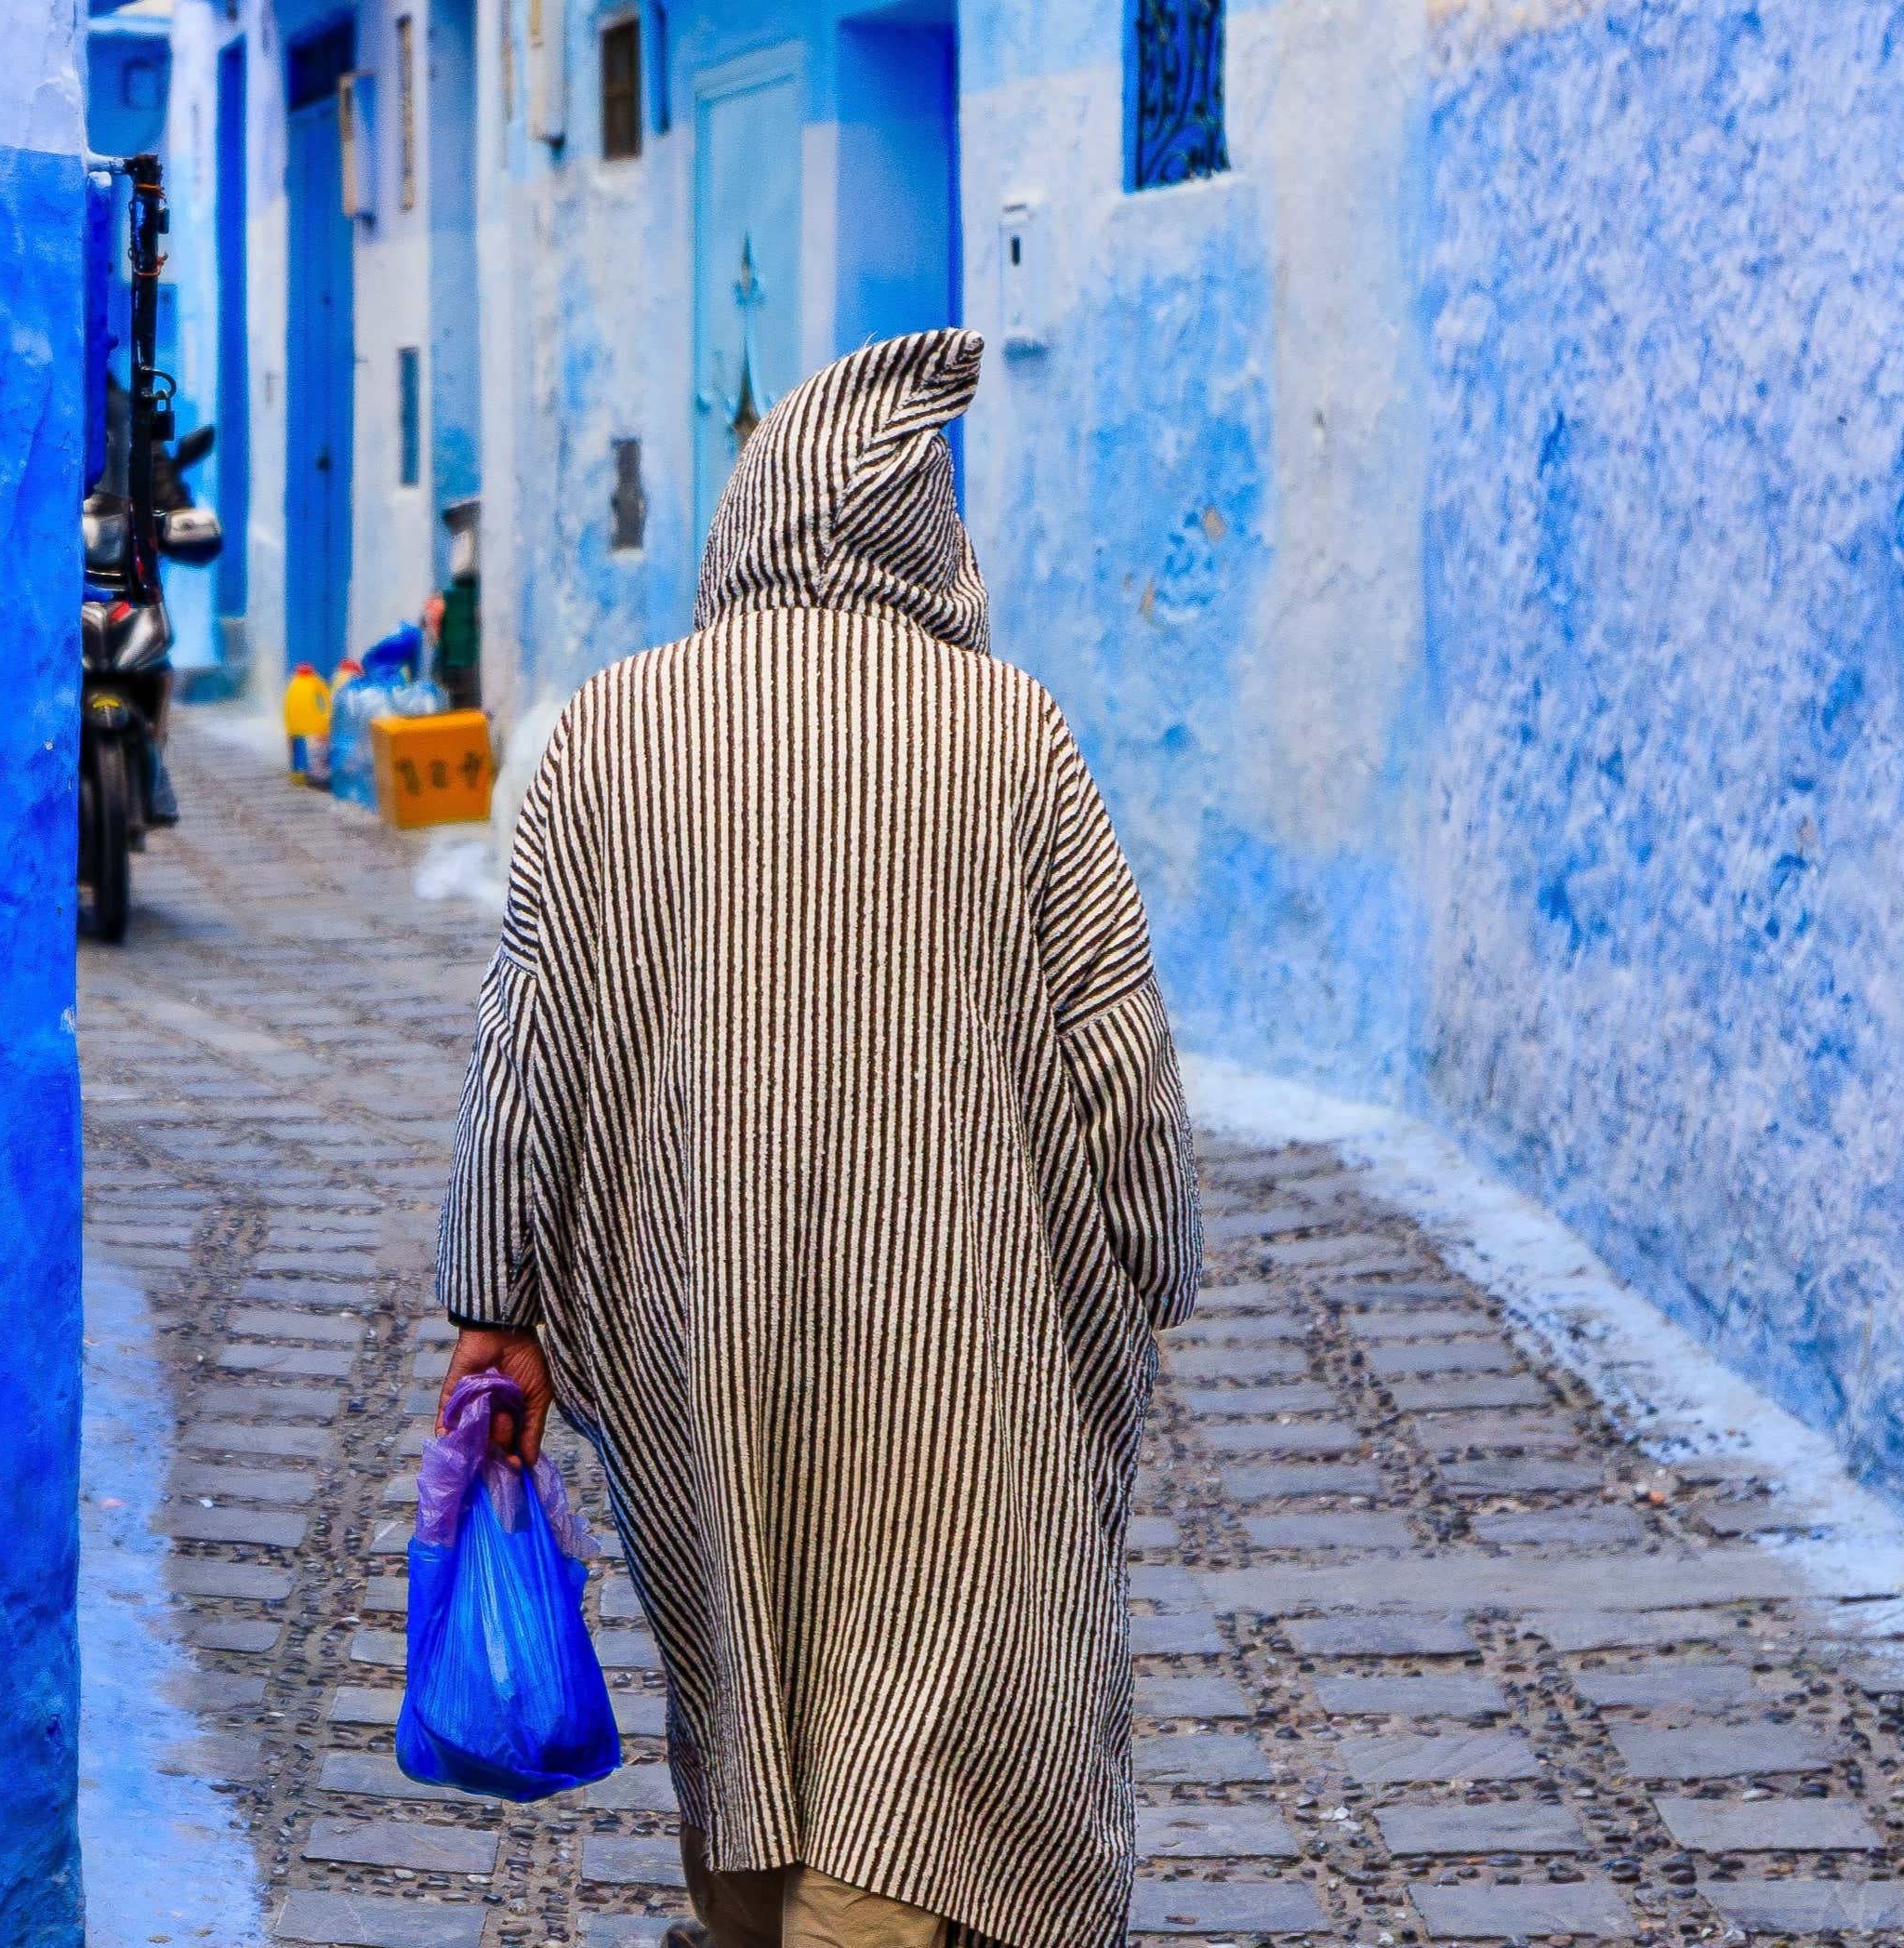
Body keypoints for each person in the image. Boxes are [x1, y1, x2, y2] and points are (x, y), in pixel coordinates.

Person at [433, 328, 1199, 1948]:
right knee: (924, 1695)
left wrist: (496, 1307)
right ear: (923, 532)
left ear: (753, 515)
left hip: (701, 1327)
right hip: (966, 1339)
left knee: (754, 1683)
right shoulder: (1012, 737)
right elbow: (1121, 1063)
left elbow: (530, 1049)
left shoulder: (606, 734)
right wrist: (1151, 1258)